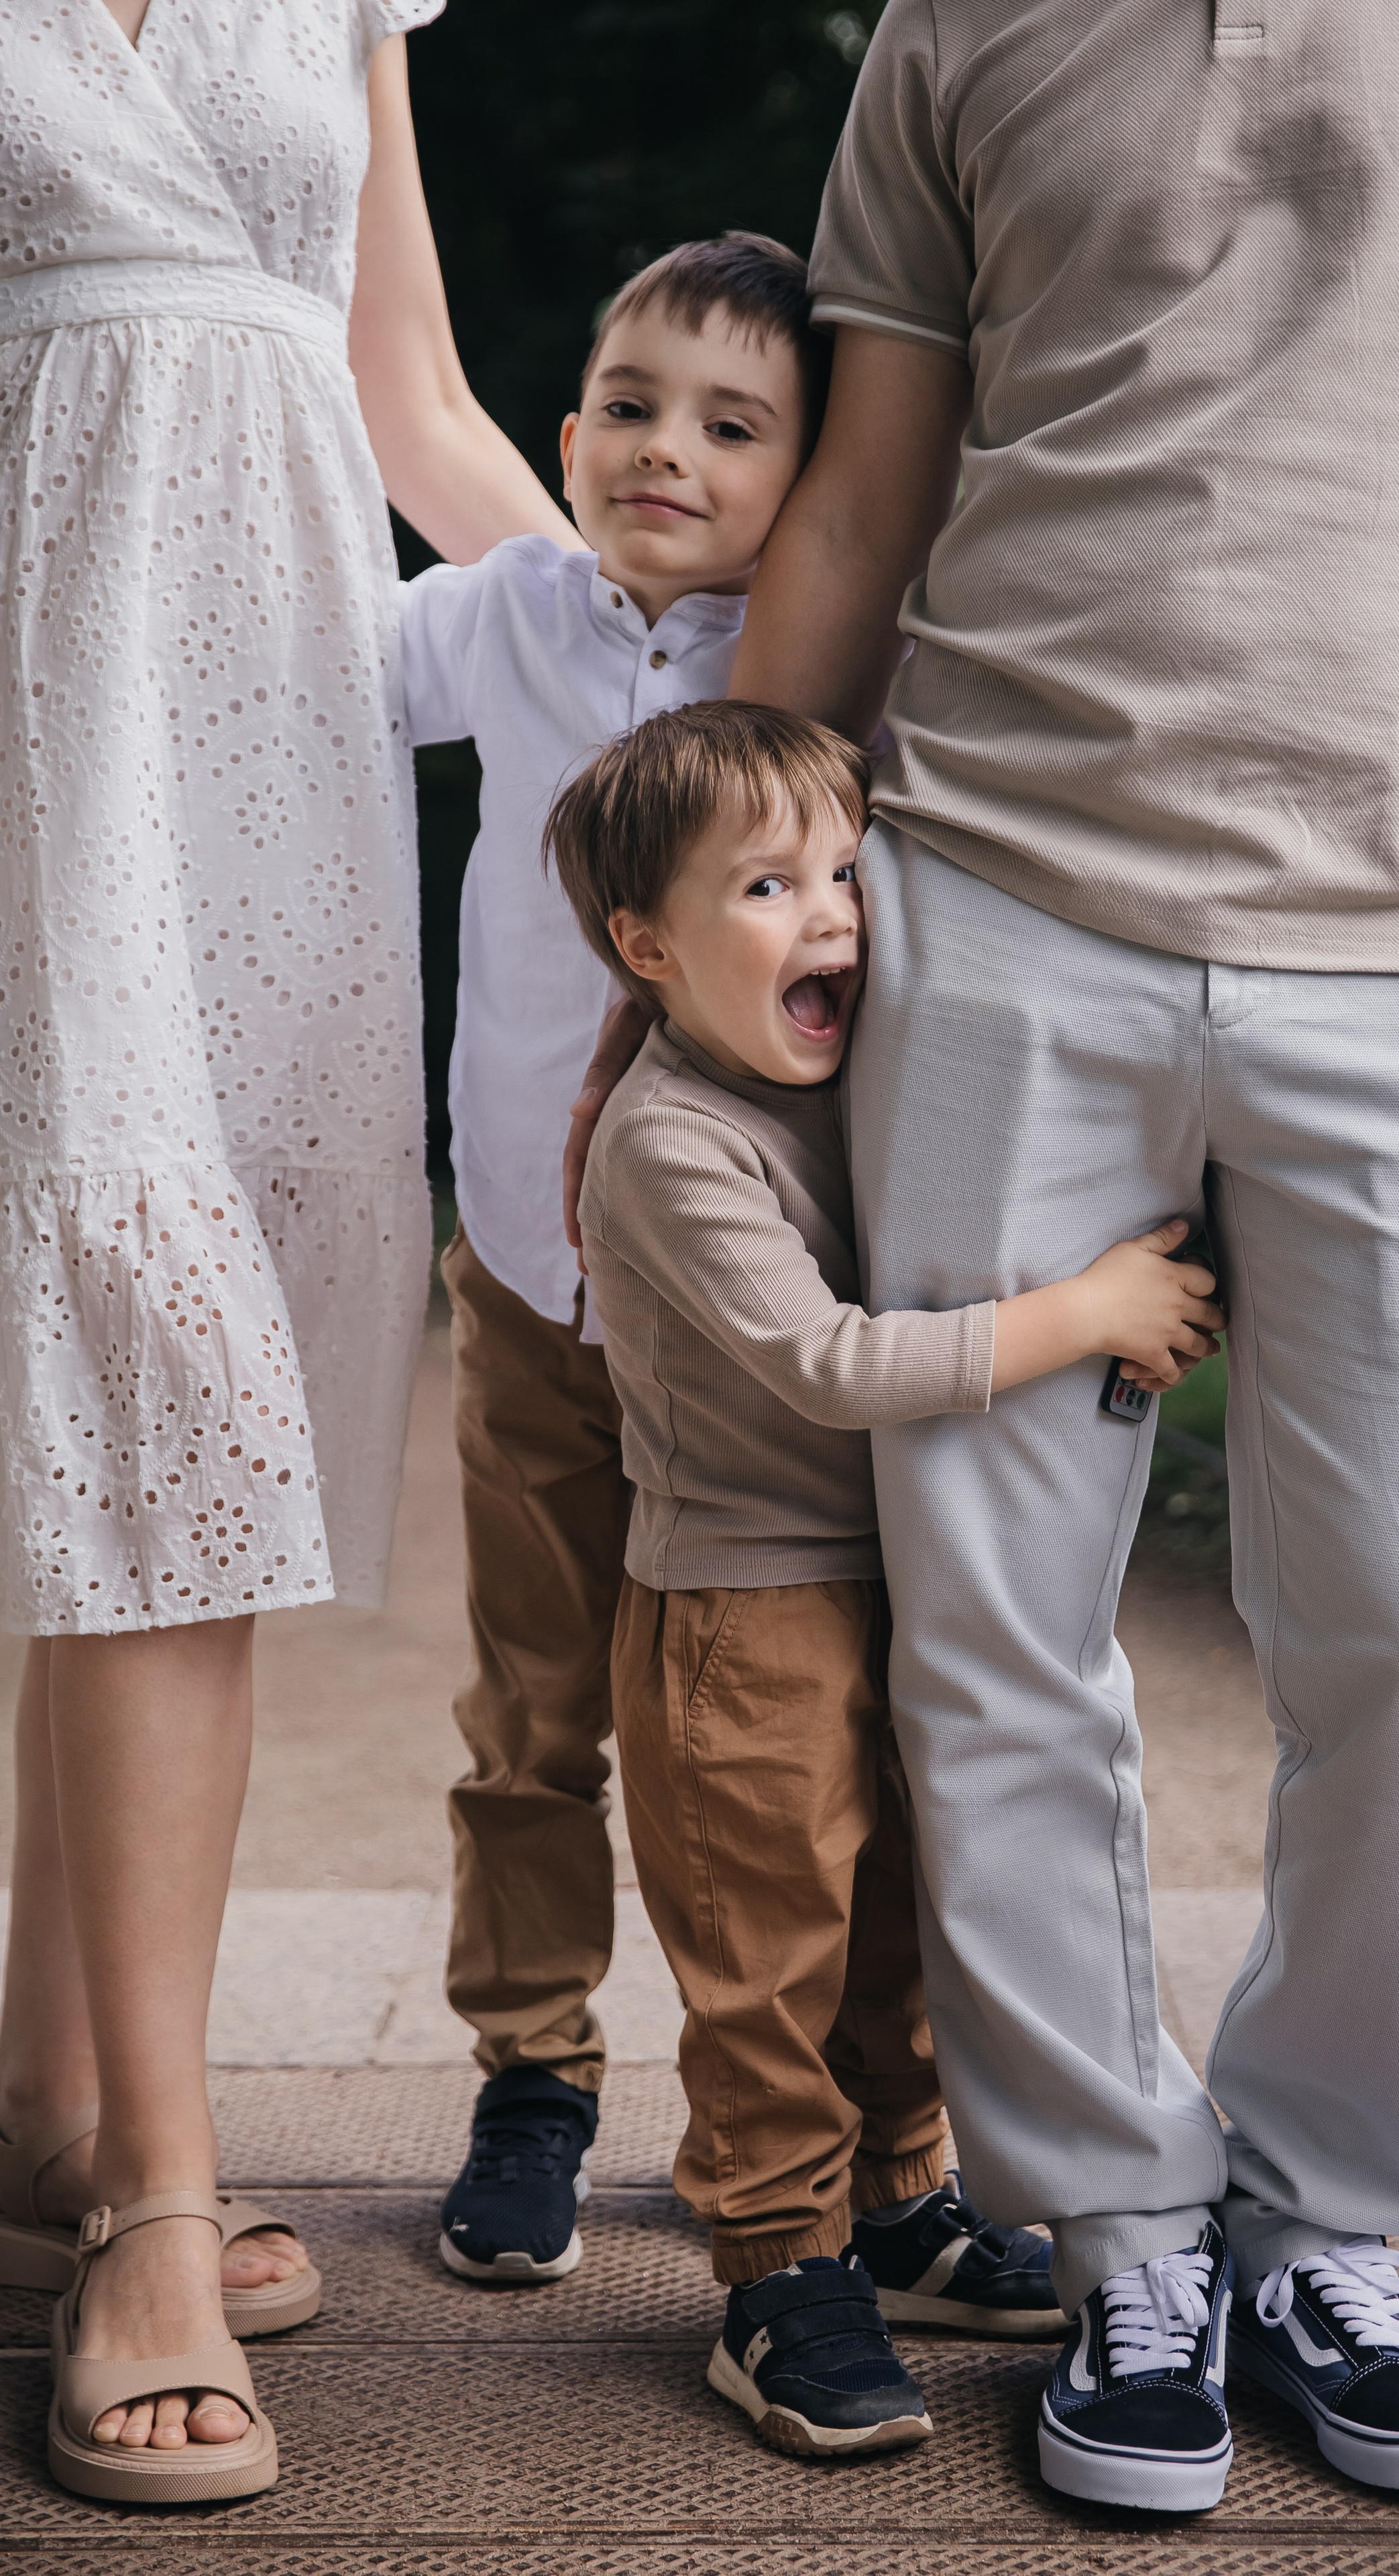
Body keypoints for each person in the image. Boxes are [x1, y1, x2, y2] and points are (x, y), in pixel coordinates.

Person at [653, 0, 1399, 2516]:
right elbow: (860, 514)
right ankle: (1125, 2230)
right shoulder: (955, 27)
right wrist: (670, 989)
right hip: (999, 895)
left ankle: (1330, 2226)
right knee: (997, 1629)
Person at [0, 0, 577, 2504]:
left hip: (264, 738)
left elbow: (409, 383)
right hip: (37, 690)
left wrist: (683, 644)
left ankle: (58, 2089)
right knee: (120, 1366)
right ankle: (155, 2183)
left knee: (167, 1379)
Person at [397, 239, 1062, 2357]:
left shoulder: (848, 669)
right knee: (532, 1713)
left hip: (765, 1314)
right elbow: (270, 668)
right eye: (622, 399)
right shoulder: (503, 614)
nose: (660, 445)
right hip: (531, 1286)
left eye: (730, 420)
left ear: (819, 476)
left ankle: (889, 2159)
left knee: (827, 1740)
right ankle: (531, 2069)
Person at [551, 698, 1227, 2459]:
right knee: (768, 1952)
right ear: (650, 947)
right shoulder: (671, 1141)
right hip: (740, 1616)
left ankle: (904, 2204)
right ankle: (781, 2268)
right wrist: (1078, 1315)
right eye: (768, 885)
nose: (834, 912)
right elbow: (838, 1363)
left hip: (895, 1575)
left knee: (908, 1923)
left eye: (849, 870)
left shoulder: (862, 1079)